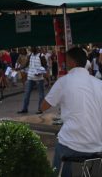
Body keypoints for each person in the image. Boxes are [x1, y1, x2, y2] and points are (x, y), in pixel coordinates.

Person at [41, 46, 102, 177]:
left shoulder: (64, 81)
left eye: (66, 60)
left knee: (63, 143)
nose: (64, 63)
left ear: (72, 63)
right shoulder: (99, 83)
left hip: (72, 146)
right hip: (97, 146)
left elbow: (44, 106)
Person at [17, 46, 45, 114]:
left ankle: (40, 109)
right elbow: (26, 65)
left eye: (31, 47)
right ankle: (24, 109)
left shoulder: (41, 56)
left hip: (39, 78)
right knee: (27, 93)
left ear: (36, 48)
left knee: (41, 94)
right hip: (30, 77)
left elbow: (45, 66)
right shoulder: (30, 55)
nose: (30, 49)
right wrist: (18, 68)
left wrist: (40, 72)